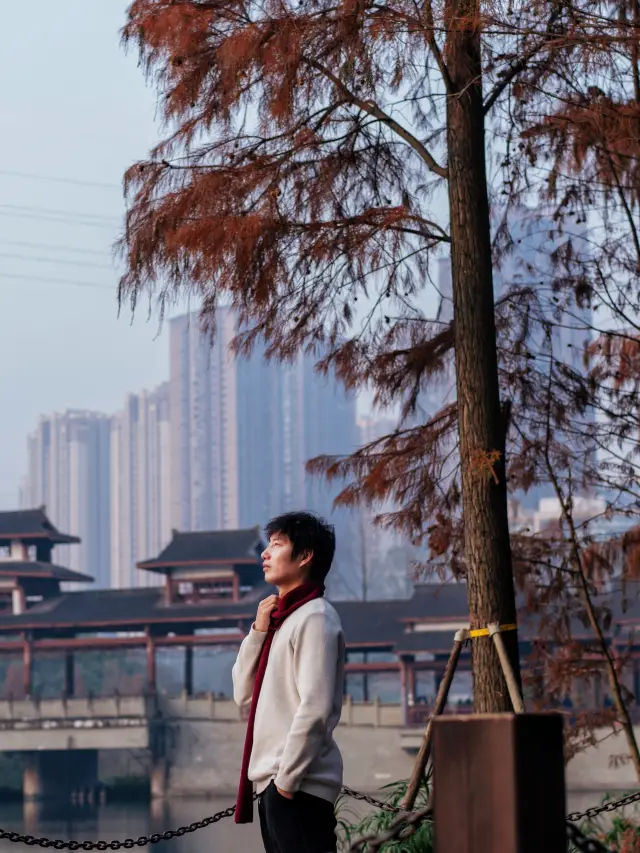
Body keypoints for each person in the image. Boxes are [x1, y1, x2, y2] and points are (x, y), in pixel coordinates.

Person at [232, 511, 345, 853]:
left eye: (277, 544)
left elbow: (316, 708)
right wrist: (258, 631)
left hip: (298, 787)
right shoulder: (283, 621)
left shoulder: (316, 617)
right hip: (277, 786)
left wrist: (286, 782)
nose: (265, 553)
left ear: (305, 555)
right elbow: (243, 694)